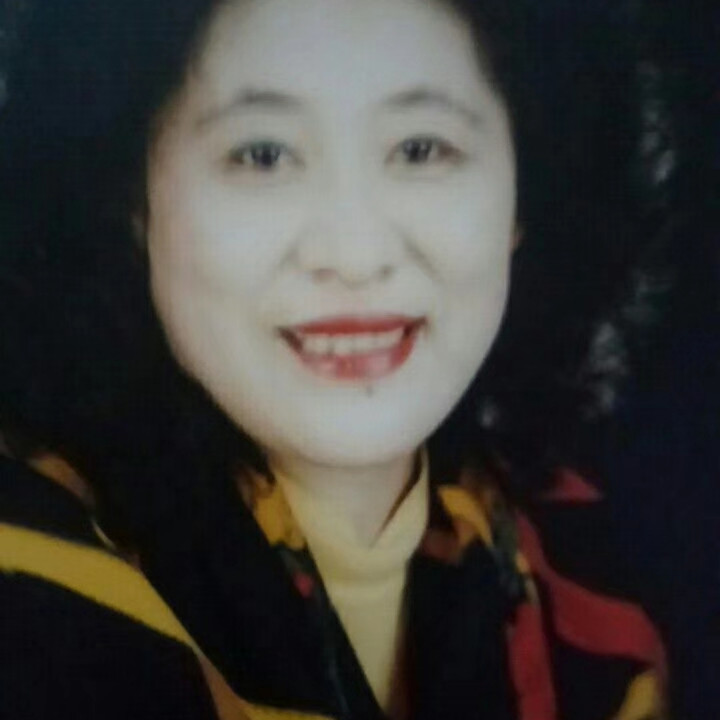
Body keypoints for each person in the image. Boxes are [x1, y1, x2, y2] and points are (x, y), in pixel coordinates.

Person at [0, 0, 666, 718]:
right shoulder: (27, 594)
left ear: (524, 195)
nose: (355, 254)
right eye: (263, 156)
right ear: (131, 199)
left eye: (421, 150)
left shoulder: (592, 579)